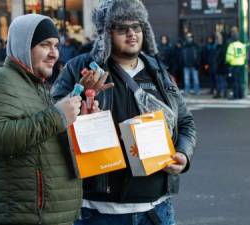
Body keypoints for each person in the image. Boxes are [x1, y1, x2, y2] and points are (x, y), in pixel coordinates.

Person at [51, 1, 197, 224]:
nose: (131, 34)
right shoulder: (80, 68)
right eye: (121, 28)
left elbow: (185, 122)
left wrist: (183, 154)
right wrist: (80, 94)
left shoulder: (157, 70)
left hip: (156, 211)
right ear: (105, 34)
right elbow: (51, 123)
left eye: (136, 27)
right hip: (98, 213)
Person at [0, 14, 88, 225]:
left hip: (52, 217)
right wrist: (57, 116)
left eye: (56, 46)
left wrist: (81, 119)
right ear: (23, 45)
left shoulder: (38, 88)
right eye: (45, 45)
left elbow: (45, 143)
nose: (54, 54)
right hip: (23, 217)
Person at [226, 29, 247, 99]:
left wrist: (228, 62)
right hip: (241, 65)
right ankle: (240, 95)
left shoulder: (231, 46)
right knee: (240, 81)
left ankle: (236, 95)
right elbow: (244, 56)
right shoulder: (242, 45)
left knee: (234, 81)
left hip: (234, 65)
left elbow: (229, 57)